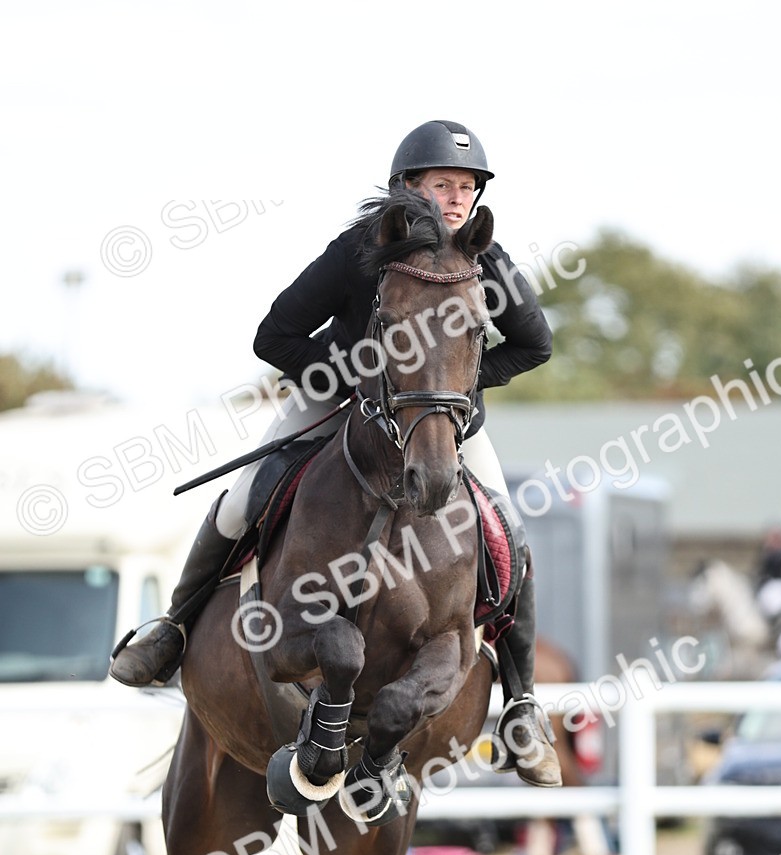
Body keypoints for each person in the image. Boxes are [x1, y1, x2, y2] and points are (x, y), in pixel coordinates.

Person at [111, 119, 562, 787]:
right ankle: (173, 629)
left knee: (508, 530)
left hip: (434, 424)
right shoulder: (357, 251)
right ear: (408, 187)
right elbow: (276, 334)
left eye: (468, 186)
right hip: (337, 403)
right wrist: (350, 373)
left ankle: (522, 704)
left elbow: (534, 345)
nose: (458, 196)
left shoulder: (485, 260)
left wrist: (443, 391)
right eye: (444, 183)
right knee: (244, 497)